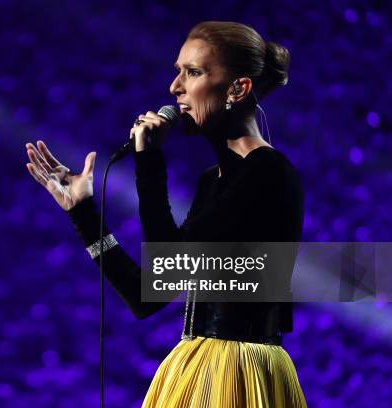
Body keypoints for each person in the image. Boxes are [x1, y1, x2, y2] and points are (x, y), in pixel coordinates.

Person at [25, 21, 306, 408]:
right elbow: (149, 296)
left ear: (237, 89)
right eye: (178, 72)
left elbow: (166, 260)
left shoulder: (266, 174)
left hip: (237, 374)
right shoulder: (215, 181)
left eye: (193, 73)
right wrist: (83, 213)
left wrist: (150, 163)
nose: (175, 87)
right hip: (197, 365)